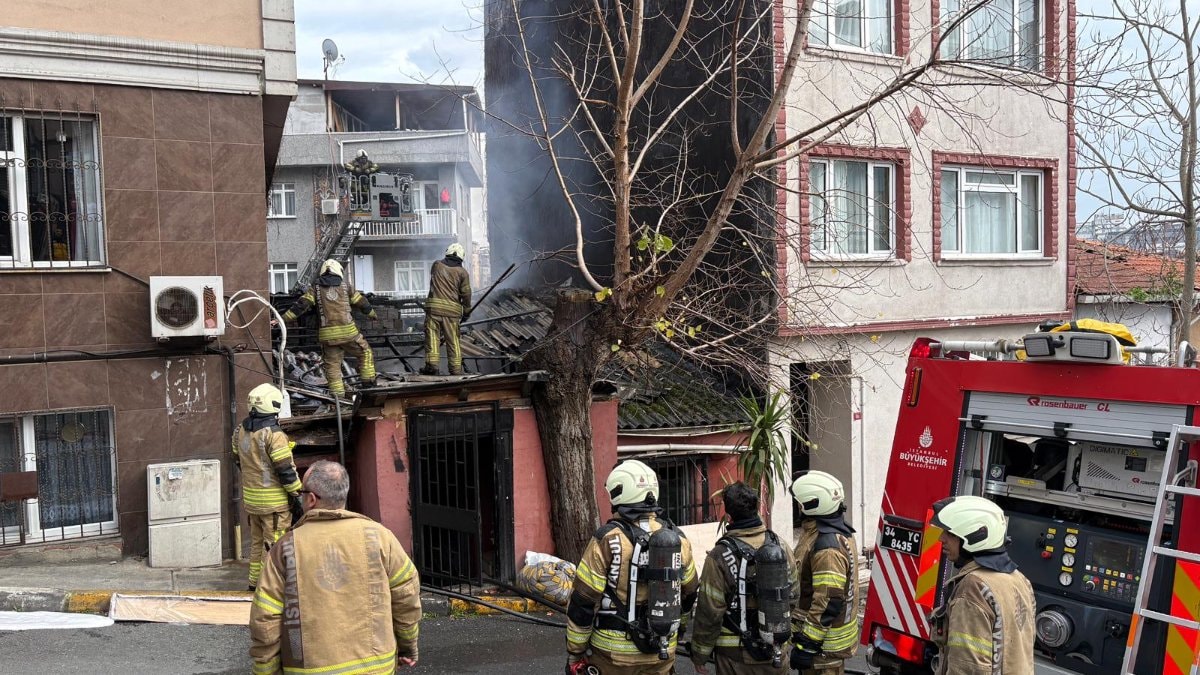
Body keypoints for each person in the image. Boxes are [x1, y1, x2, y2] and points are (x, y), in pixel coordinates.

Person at [250, 460, 422, 674]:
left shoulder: (286, 549)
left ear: (311, 499)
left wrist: (265, 670)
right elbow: (406, 596)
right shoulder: (379, 537)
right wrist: (408, 646)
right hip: (376, 668)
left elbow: (265, 618)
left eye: (302, 492)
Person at [565, 459, 699, 674]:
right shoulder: (677, 539)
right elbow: (690, 592)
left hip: (612, 655)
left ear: (619, 492)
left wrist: (575, 651)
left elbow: (583, 601)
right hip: (661, 650)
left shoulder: (607, 538)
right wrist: (677, 630)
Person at [691, 481, 797, 674]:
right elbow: (793, 596)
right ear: (757, 510)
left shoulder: (719, 555)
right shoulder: (780, 546)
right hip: (775, 654)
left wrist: (700, 654)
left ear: (729, 517)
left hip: (735, 659)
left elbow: (709, 611)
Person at [927, 495, 1035, 675]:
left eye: (950, 533)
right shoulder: (1019, 579)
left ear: (976, 536)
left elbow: (968, 667)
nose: (941, 538)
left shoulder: (973, 588)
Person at [232, 383, 303, 591]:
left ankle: (254, 583)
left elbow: (238, 460)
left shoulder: (240, 431)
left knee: (256, 544)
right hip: (274, 505)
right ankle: (269, 588)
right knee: (274, 546)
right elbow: (285, 471)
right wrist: (298, 493)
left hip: (252, 501)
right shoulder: (274, 434)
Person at [789, 471, 861, 675]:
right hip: (824, 646)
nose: (798, 507)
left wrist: (808, 644)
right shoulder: (827, 533)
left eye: (800, 502)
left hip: (823, 650)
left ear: (811, 505)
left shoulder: (827, 548)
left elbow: (828, 600)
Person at [282, 258, 378, 396]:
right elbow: (362, 303)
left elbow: (301, 306)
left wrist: (282, 319)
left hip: (328, 336)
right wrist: (372, 314)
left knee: (332, 366)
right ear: (338, 271)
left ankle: (338, 399)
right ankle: (369, 386)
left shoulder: (315, 289)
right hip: (349, 334)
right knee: (365, 352)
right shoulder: (346, 287)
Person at [421, 243, 472, 376]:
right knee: (453, 340)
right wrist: (466, 311)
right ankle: (455, 370)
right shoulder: (463, 273)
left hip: (434, 310)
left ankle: (432, 367)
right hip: (452, 313)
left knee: (432, 338)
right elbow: (466, 294)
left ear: (447, 253)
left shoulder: (437, 265)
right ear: (461, 258)